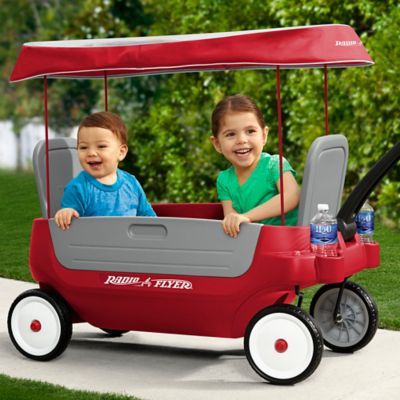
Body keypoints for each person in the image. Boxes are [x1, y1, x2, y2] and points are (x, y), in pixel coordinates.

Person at [210, 94, 299, 238]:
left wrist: (247, 216)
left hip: (287, 242)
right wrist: (236, 220)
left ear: (264, 135)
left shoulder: (274, 165)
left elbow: (291, 196)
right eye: (230, 134)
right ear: (217, 144)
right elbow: (231, 221)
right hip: (253, 245)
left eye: (250, 131)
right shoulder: (224, 180)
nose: (241, 140)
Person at [55, 111, 155, 230]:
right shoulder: (78, 187)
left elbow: (147, 216)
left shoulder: (131, 183)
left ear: (121, 152)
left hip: (130, 241)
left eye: (101, 146)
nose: (91, 153)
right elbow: (70, 223)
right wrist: (67, 212)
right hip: (95, 241)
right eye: (83, 147)